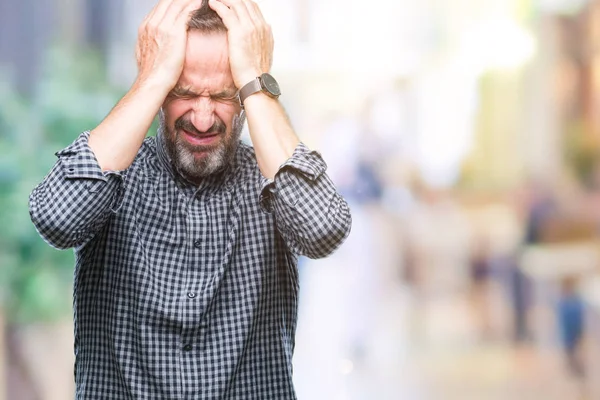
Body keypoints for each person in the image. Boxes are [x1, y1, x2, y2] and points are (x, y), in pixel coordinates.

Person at [28, 0, 352, 398]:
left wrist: (256, 77)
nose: (202, 117)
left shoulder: (272, 179)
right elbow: (55, 219)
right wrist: (150, 79)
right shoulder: (115, 170)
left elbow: (324, 231)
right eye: (181, 91)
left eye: (223, 95)